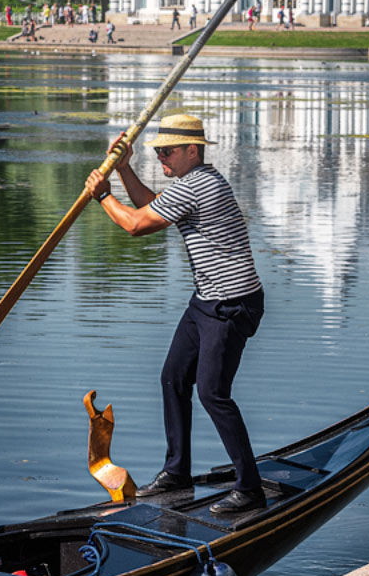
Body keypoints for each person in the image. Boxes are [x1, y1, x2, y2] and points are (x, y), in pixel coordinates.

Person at [84, 114, 266, 515]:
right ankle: (177, 471)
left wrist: (103, 195)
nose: (162, 157)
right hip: (206, 300)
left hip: (232, 304)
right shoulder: (189, 186)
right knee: (173, 378)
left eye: (167, 151)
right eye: (158, 151)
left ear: (192, 151)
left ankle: (250, 488)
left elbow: (135, 225)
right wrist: (126, 168)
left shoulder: (199, 185)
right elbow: (153, 207)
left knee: (213, 394)